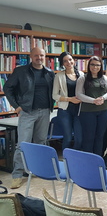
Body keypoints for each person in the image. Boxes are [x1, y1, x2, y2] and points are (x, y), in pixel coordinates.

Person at [4, 47, 55, 189]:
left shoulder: (49, 73)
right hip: (27, 112)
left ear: (45, 56)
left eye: (42, 55)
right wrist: (16, 106)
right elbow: (8, 87)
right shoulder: (21, 71)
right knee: (23, 144)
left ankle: (38, 170)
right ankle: (17, 175)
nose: (39, 57)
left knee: (40, 142)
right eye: (36, 55)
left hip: (45, 112)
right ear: (31, 56)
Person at [76, 56, 107, 156]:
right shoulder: (83, 78)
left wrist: (102, 98)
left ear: (101, 66)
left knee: (100, 136)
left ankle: (98, 159)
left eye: (98, 65)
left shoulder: (104, 78)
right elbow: (78, 94)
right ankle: (88, 160)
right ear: (89, 65)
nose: (95, 67)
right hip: (87, 112)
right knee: (89, 137)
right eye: (92, 64)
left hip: (103, 111)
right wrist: (94, 101)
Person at [52, 51, 83, 151]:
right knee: (68, 138)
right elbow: (54, 95)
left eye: (70, 59)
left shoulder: (81, 74)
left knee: (79, 139)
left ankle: (75, 157)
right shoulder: (59, 76)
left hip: (79, 110)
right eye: (65, 61)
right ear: (62, 63)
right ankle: (66, 160)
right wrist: (70, 99)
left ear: (74, 60)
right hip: (65, 110)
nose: (68, 62)